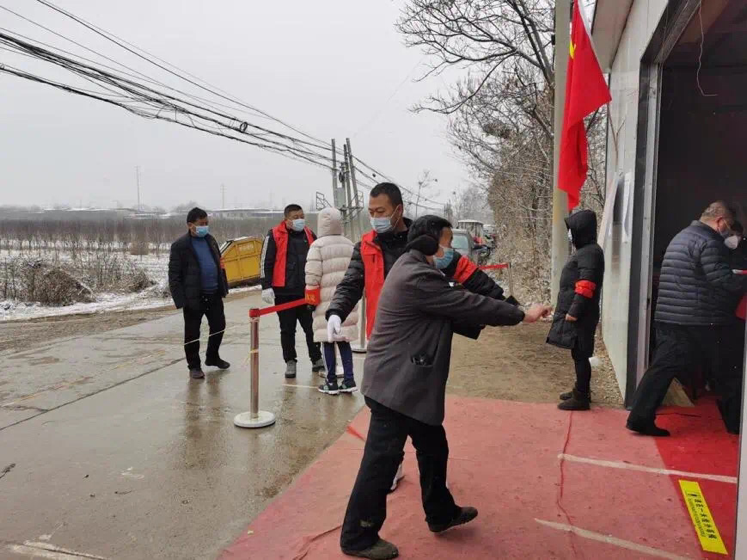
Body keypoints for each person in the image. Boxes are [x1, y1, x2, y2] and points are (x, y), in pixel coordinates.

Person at [339, 216, 550, 560]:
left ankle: (440, 513)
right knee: (380, 462)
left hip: (407, 384)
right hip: (395, 387)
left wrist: (507, 307)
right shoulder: (416, 276)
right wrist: (521, 314)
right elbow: (468, 304)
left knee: (434, 447)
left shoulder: (417, 269)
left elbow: (460, 304)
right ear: (427, 243)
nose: (449, 250)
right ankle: (357, 536)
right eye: (446, 243)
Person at [326, 182, 518, 491]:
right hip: (385, 337)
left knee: (417, 412)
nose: (375, 217)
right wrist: (336, 310)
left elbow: (467, 273)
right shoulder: (365, 246)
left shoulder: (426, 242)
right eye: (371, 212)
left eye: (381, 212)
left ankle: (421, 490)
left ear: (398, 210)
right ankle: (394, 466)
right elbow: (351, 282)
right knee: (386, 410)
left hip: (421, 341)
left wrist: (507, 304)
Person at [626, 201, 747, 436]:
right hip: (700, 319)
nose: (730, 234)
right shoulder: (709, 242)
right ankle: (735, 422)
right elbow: (723, 281)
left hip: (671, 317)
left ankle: (640, 416)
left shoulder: (682, 236)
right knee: (729, 369)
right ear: (721, 221)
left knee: (661, 368)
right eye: (730, 227)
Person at [547, 209, 605, 411]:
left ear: (581, 230)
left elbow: (586, 285)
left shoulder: (590, 253)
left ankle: (581, 397)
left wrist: (574, 311)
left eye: (572, 230)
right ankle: (580, 390)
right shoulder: (587, 251)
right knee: (578, 353)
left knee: (581, 354)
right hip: (581, 313)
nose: (570, 234)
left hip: (582, 315)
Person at [261, 204, 324, 378]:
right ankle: (290, 361)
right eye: (295, 217)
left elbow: (319, 259)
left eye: (302, 216)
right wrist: (266, 285)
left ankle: (317, 359)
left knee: (311, 328)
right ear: (286, 219)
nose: (299, 220)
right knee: (287, 329)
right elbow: (265, 261)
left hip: (307, 291)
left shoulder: (310, 234)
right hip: (284, 292)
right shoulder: (274, 234)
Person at [168, 207, 230, 380]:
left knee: (219, 327)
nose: (205, 227)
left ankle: (212, 357)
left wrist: (223, 286)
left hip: (214, 294)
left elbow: (220, 265)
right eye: (201, 224)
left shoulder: (210, 240)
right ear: (190, 225)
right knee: (192, 333)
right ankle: (194, 366)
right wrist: (181, 300)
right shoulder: (180, 246)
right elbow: (174, 275)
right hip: (193, 297)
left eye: (206, 223)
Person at [304, 207, 359, 395]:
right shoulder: (349, 244)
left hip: (325, 302)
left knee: (327, 341)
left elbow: (312, 276)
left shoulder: (317, 246)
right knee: (344, 340)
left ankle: (331, 381)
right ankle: (349, 379)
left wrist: (310, 300)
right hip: (347, 301)